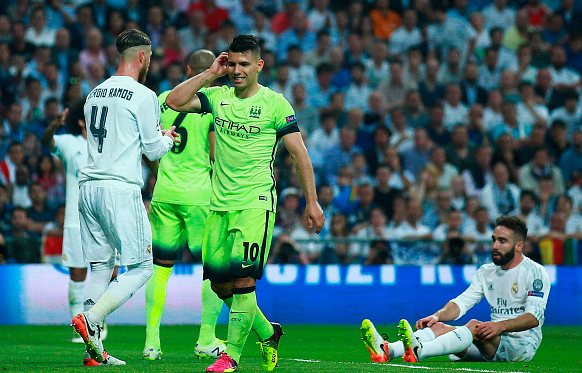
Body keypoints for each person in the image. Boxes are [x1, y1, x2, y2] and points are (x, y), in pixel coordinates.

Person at [166, 34, 325, 372]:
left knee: (242, 281)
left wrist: (312, 202)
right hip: (218, 205)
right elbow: (175, 102)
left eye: (244, 64)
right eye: (233, 63)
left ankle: (231, 357)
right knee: (220, 285)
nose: (237, 70)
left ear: (259, 66)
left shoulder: (275, 104)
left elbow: (299, 154)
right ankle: (268, 333)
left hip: (255, 203)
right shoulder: (216, 96)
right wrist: (211, 73)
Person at [70, 29, 179, 367]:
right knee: (143, 266)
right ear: (143, 57)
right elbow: (151, 150)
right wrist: (169, 139)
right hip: (119, 188)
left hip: (88, 188)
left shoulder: (94, 94)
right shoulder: (143, 95)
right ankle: (91, 320)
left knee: (101, 266)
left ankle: (94, 351)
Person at [361, 215, 550, 364]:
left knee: (475, 326)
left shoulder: (535, 272)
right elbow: (463, 302)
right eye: (493, 240)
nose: (494, 246)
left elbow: (534, 317)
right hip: (491, 341)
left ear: (519, 246)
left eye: (502, 241)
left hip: (520, 346)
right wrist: (437, 315)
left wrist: (499, 325)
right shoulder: (487, 272)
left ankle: (420, 351)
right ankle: (388, 350)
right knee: (438, 327)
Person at [142, 49, 225, 361]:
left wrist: (161, 176)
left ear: (189, 69)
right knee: (213, 270)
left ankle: (151, 344)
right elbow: (216, 154)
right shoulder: (215, 103)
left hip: (164, 194)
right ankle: (206, 338)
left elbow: (148, 149)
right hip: (200, 196)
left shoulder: (163, 98)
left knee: (159, 270)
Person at [41, 100, 115, 346]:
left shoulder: (108, 143)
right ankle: (78, 325)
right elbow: (46, 142)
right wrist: (54, 125)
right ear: (81, 120)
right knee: (77, 272)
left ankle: (97, 321)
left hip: (104, 218)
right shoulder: (69, 143)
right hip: (75, 219)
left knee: (104, 271)